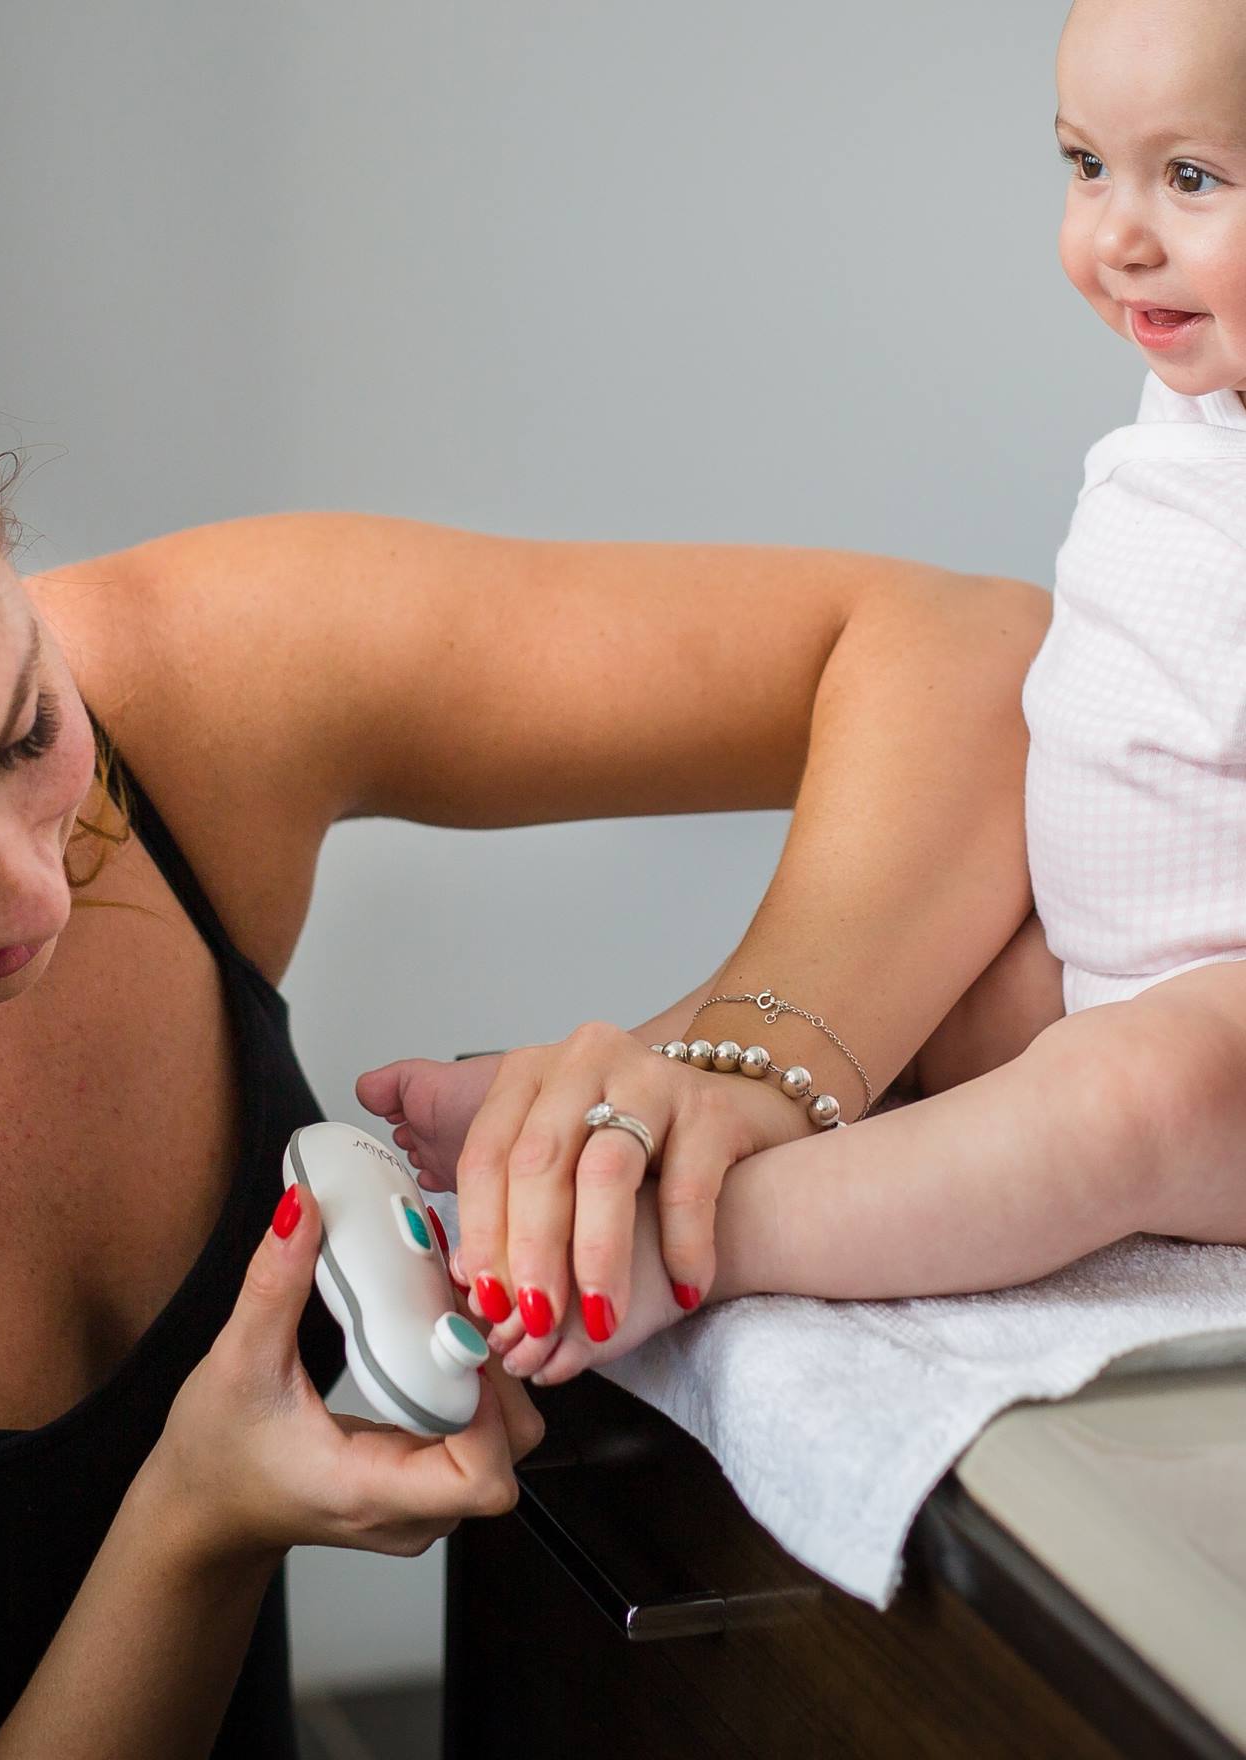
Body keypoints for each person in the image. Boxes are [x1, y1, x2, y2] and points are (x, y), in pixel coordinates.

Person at [0, 380, 1045, 1757]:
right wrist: (192, 1530)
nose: (27, 905)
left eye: (26, 737)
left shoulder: (167, 684)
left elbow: (972, 644)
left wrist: (745, 1061)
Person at [360, 0, 1246, 1390]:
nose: (1117, 235)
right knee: (939, 988)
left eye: (1190, 179)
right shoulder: (1198, 400)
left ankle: (706, 1235)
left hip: (1217, 1035)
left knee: (1134, 1095)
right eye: (1086, 166)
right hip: (1107, 962)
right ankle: (641, 1088)